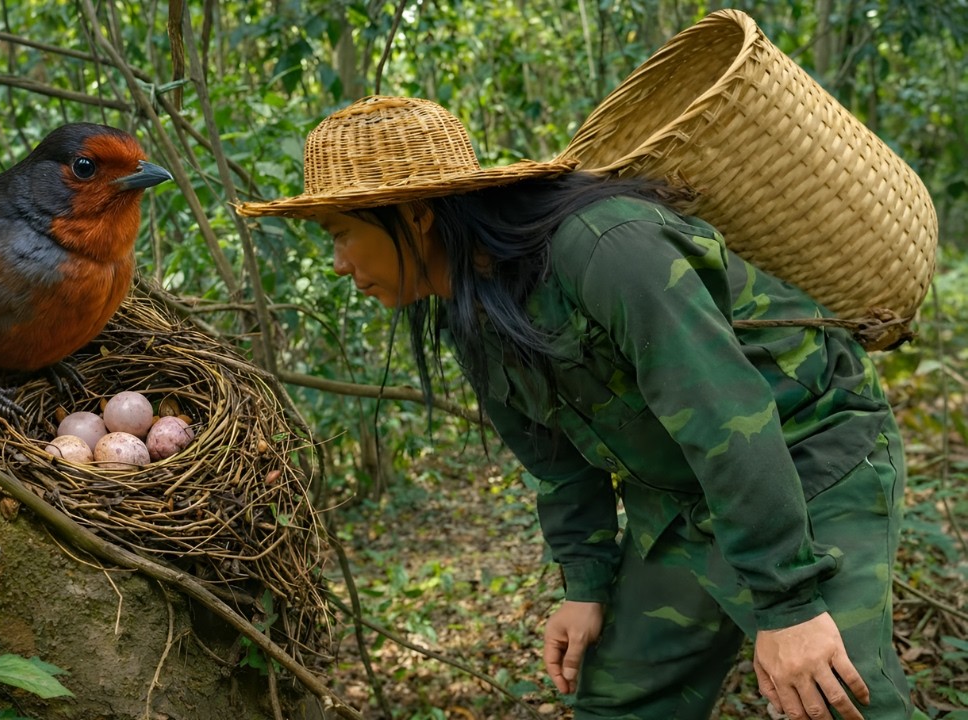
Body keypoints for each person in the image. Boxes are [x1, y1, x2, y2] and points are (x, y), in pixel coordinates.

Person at [238, 96, 917, 720]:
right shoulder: (472, 311)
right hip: (681, 499)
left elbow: (724, 414)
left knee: (841, 699)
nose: (336, 263)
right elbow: (557, 463)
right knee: (620, 706)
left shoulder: (607, 247)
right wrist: (584, 583)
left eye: (339, 233)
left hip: (807, 457)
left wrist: (789, 604)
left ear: (415, 215)